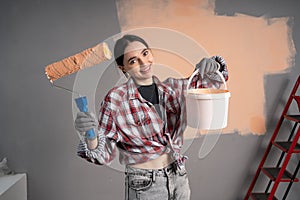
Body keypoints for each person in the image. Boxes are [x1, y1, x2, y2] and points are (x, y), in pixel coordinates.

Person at [75, 34, 229, 200]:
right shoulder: (116, 100)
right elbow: (103, 154)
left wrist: (212, 66)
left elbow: (209, 84)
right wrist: (90, 134)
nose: (143, 63)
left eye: (145, 53)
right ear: (123, 68)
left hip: (179, 177)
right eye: (133, 61)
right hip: (145, 185)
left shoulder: (173, 88)